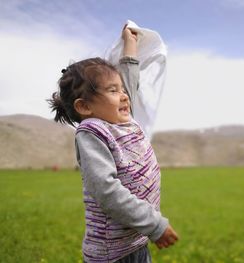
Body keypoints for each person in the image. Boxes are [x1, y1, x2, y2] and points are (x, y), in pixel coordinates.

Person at [48, 26, 178, 263]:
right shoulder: (93, 132)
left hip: (135, 241)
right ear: (85, 107)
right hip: (114, 253)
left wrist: (130, 44)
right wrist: (154, 224)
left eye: (121, 89)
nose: (124, 95)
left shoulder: (123, 118)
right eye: (112, 90)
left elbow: (129, 77)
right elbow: (107, 192)